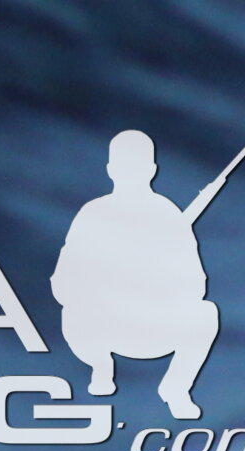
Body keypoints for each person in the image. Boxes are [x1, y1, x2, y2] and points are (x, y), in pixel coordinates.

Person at [58, 126, 230, 420]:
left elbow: (196, 285)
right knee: (73, 312)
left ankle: (176, 388)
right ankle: (101, 368)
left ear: (151, 169)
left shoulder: (168, 216)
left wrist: (158, 281)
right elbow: (63, 281)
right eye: (124, 166)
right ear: (111, 169)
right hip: (102, 325)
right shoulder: (93, 214)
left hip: (154, 326)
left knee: (206, 313)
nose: (130, 172)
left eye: (137, 166)